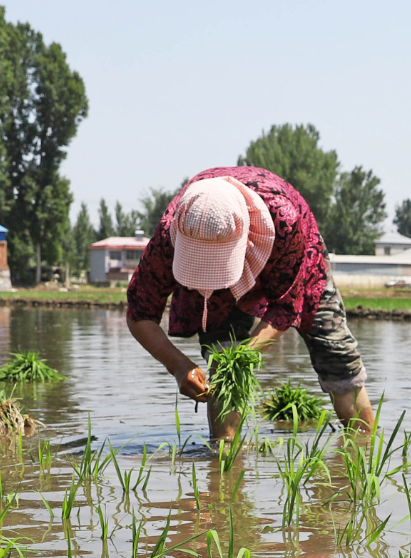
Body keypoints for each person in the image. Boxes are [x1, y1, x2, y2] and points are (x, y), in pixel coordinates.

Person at [125, 167, 374, 442]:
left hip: (291, 255)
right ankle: (225, 464)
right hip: (217, 279)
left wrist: (246, 356)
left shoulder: (285, 221)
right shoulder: (169, 233)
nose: (212, 280)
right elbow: (139, 311)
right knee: (223, 361)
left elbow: (286, 307)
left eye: (217, 268)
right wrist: (178, 366)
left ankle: (362, 449)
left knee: (336, 353)